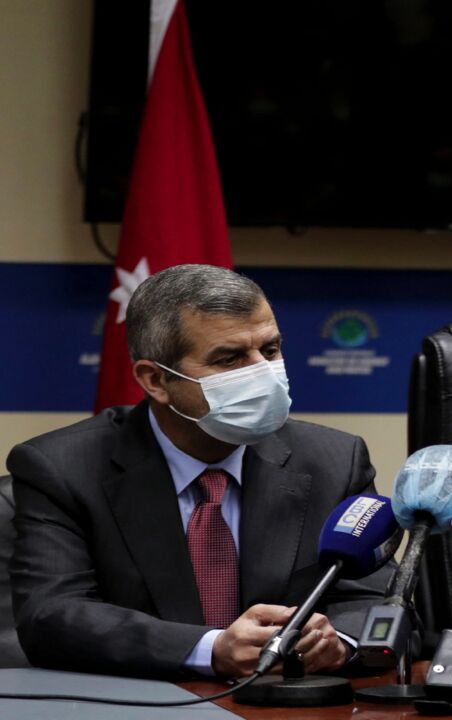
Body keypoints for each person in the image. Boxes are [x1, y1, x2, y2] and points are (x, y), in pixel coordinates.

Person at [7, 265, 392, 680]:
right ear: (156, 380)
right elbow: (52, 615)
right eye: (229, 359)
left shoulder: (335, 460)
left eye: (270, 350)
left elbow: (381, 604)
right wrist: (210, 649)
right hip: (142, 702)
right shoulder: (63, 468)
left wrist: (339, 644)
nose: (262, 372)